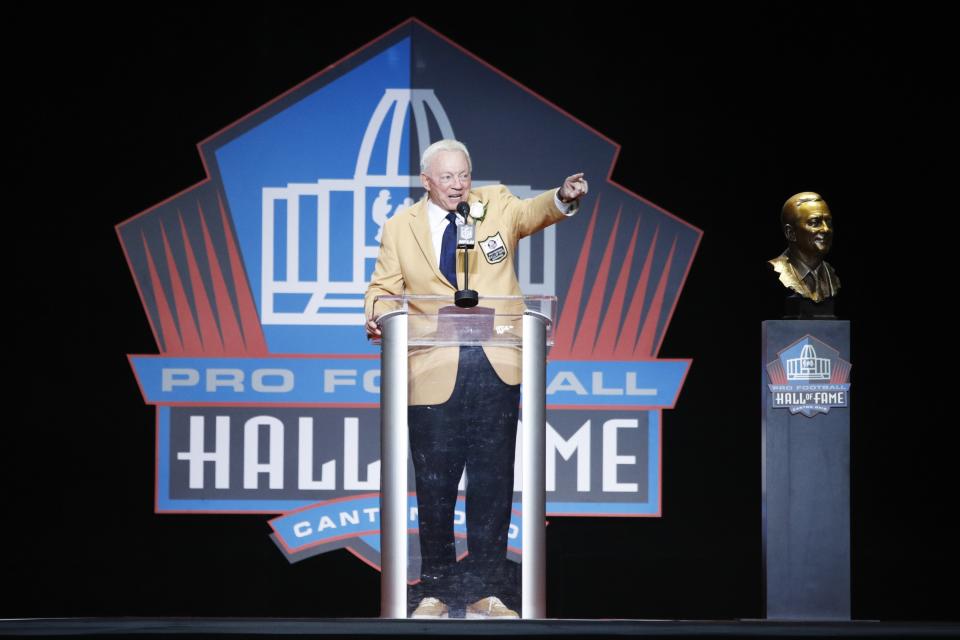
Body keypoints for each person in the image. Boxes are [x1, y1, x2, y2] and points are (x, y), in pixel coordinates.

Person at [364, 139, 587, 618]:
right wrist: (379, 315)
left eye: (463, 175)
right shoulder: (400, 228)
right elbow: (383, 291)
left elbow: (534, 213)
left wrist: (562, 199)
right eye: (447, 177)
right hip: (432, 372)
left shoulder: (495, 205)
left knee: (492, 485)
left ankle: (488, 591)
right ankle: (437, 592)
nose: (458, 184)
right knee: (434, 487)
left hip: (495, 369)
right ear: (427, 181)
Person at [767, 191, 840, 318]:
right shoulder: (778, 270)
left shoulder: (831, 275)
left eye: (828, 222)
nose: (826, 229)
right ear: (790, 233)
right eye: (814, 222)